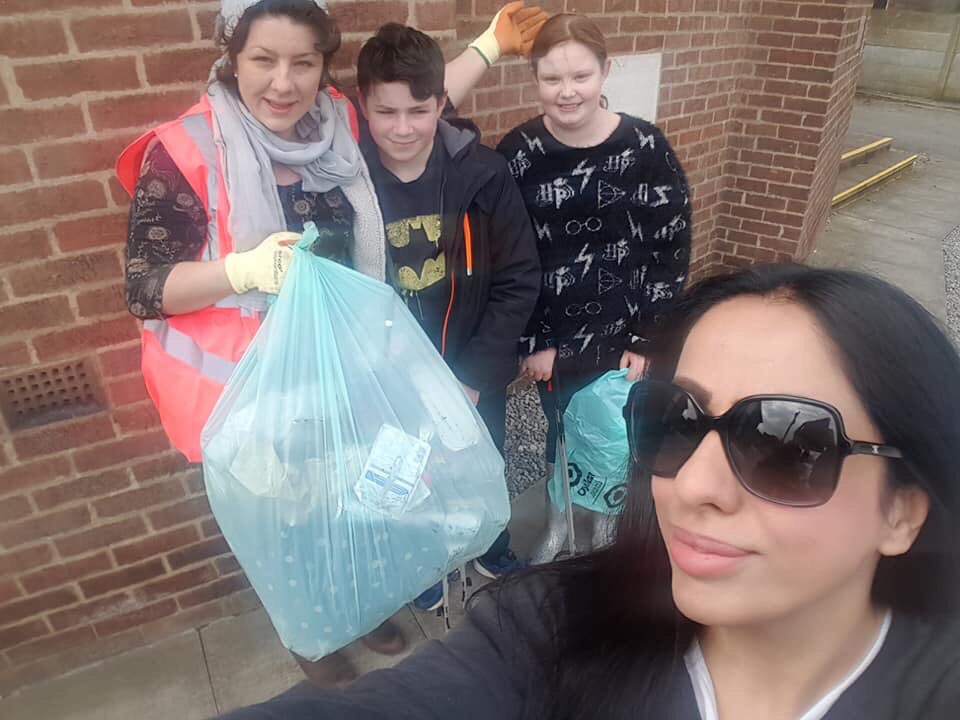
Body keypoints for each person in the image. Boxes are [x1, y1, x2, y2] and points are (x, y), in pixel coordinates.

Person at [219, 263, 960, 719]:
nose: (691, 485)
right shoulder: (553, 631)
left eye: (783, 443)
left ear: (903, 509)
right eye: (672, 420)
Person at [117, 0, 543, 687]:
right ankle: (310, 636)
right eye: (263, 60)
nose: (282, 82)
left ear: (323, 68)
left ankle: (359, 601)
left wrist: (491, 44)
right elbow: (142, 286)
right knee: (285, 521)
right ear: (232, 57)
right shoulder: (187, 149)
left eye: (302, 62)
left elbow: (415, 104)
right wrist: (242, 270)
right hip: (249, 388)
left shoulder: (337, 126)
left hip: (343, 369)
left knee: (348, 499)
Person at [355, 24, 541, 610]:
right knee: (404, 474)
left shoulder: (482, 174)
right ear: (363, 106)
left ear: (442, 102)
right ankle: (426, 565)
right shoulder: (348, 182)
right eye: (386, 112)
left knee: (483, 462)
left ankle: (491, 544)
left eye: (418, 109)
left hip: (468, 364)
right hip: (389, 373)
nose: (403, 128)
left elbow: (518, 277)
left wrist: (475, 374)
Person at [495, 13, 692, 560]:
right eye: (551, 78)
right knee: (561, 433)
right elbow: (511, 254)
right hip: (556, 341)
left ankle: (605, 531)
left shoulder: (646, 148)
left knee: (618, 438)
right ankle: (561, 522)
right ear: (534, 78)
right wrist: (534, 340)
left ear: (605, 71)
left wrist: (648, 338)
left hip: (625, 335)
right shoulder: (518, 153)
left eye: (580, 76)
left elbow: (669, 246)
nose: (566, 91)